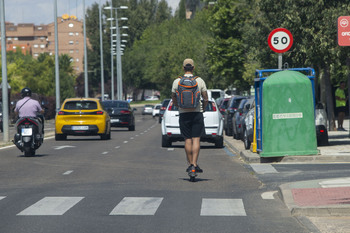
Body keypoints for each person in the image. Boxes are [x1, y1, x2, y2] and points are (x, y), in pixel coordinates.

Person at [171, 58, 208, 173]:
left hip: (183, 114)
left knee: (187, 139)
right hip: (197, 113)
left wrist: (178, 106)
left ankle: (189, 164)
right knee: (196, 139)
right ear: (193, 68)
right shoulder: (200, 81)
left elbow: (173, 98)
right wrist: (204, 108)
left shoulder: (177, 81)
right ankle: (195, 164)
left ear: (183, 68)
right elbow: (205, 98)